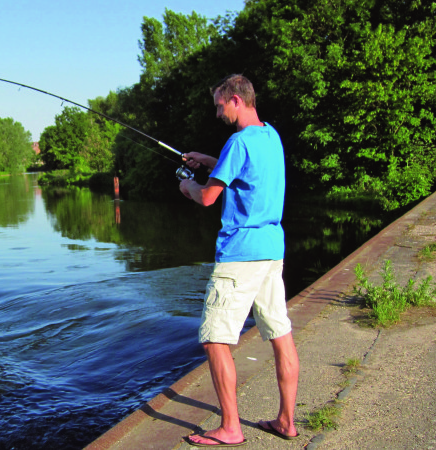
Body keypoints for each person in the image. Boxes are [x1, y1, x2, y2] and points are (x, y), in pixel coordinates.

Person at [179, 74, 300, 447]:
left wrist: (187, 185)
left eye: (219, 105)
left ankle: (230, 427)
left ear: (234, 99)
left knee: (215, 340)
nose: (218, 113)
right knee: (280, 334)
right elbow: (248, 174)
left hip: (240, 256)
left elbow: (207, 198)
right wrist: (208, 160)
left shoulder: (238, 141)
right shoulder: (270, 135)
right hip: (271, 251)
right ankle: (286, 421)